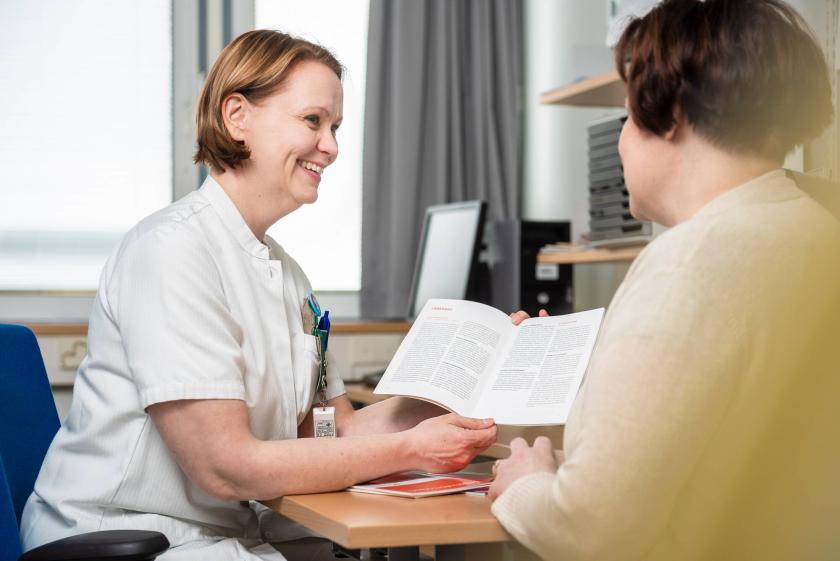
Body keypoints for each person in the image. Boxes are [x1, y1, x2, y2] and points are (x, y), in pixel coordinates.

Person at [20, 30, 497, 561]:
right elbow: (226, 466)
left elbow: (343, 430)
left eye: (335, 127)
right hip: (124, 536)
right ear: (237, 116)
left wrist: (473, 371)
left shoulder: (287, 274)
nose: (333, 147)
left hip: (221, 532)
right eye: (313, 121)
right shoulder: (172, 251)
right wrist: (410, 448)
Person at [488, 1, 840, 560]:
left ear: (670, 113)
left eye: (627, 115)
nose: (624, 139)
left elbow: (591, 530)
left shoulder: (691, 261)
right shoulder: (815, 232)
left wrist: (525, 482)